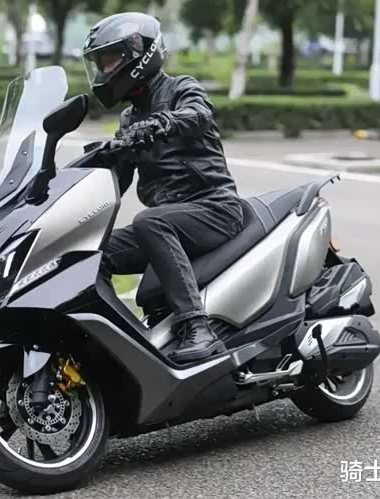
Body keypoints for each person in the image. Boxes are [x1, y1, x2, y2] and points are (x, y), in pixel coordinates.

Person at [82, 13, 243, 364]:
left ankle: (198, 327)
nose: (104, 70)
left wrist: (164, 121)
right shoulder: (129, 119)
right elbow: (117, 182)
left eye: (110, 60)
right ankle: (120, 342)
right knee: (89, 253)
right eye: (100, 63)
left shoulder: (182, 88)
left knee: (149, 221)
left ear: (139, 55)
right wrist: (87, 173)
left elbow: (199, 115)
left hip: (214, 207)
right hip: (169, 220)